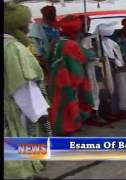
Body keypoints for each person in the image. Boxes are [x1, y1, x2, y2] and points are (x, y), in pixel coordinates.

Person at [4, 2, 51, 179]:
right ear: (17, 25)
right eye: (26, 23)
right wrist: (41, 113)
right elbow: (24, 88)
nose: (29, 25)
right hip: (17, 112)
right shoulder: (14, 48)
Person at [48, 15, 94, 135]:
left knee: (56, 105)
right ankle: (67, 130)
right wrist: (79, 84)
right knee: (68, 107)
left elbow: (48, 59)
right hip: (67, 81)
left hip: (54, 79)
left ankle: (58, 128)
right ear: (75, 31)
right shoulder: (71, 45)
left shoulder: (56, 41)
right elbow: (77, 70)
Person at [94, 23, 126, 121]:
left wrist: (120, 64)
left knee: (116, 91)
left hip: (115, 71)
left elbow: (117, 56)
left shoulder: (112, 43)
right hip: (99, 72)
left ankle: (116, 112)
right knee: (102, 92)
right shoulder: (91, 41)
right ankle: (103, 114)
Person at [28, 5, 60, 84]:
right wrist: (48, 69)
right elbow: (37, 54)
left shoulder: (54, 27)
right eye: (50, 15)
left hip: (54, 62)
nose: (53, 16)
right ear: (44, 15)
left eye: (53, 14)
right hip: (42, 66)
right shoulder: (35, 29)